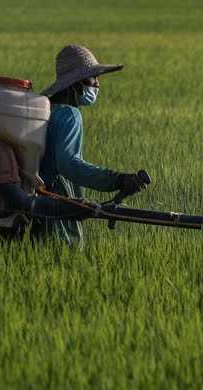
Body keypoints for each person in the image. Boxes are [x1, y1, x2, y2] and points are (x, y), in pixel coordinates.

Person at [30, 44, 149, 246]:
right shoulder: (69, 114)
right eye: (93, 78)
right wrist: (117, 180)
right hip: (58, 204)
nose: (97, 85)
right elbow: (69, 164)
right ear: (76, 83)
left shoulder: (46, 111)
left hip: (35, 203)